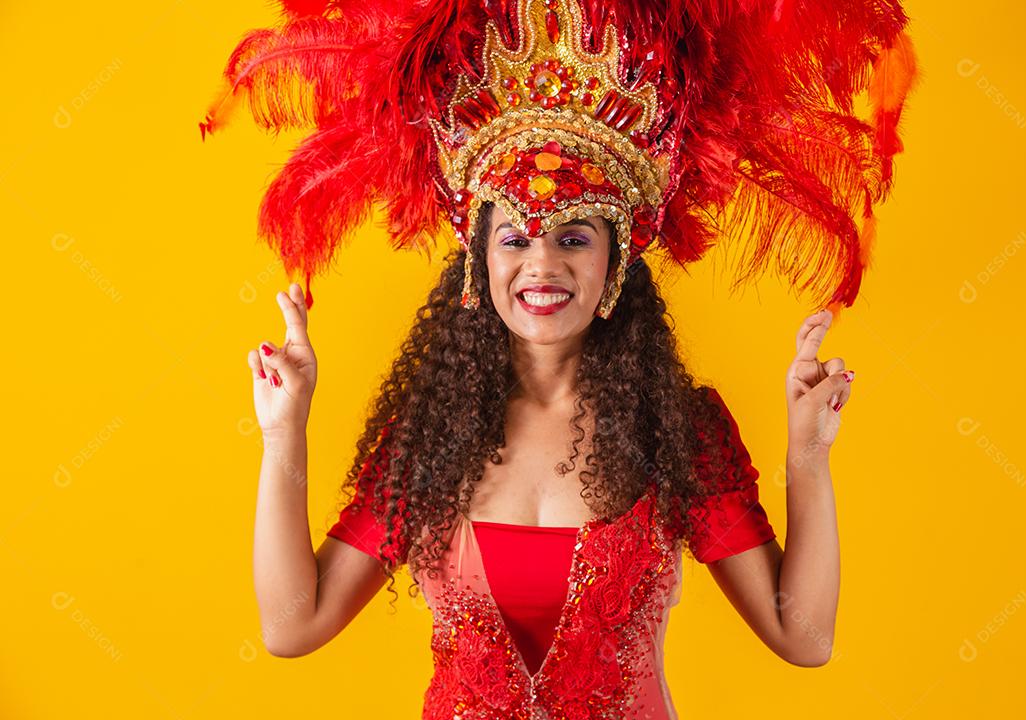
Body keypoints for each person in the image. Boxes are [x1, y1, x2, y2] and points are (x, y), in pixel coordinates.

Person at [208, 0, 917, 715]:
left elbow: (804, 636)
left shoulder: (675, 426)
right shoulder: (429, 431)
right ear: (479, 264)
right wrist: (282, 432)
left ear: (615, 263)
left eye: (574, 237)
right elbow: (293, 626)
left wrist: (809, 453)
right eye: (514, 239)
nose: (541, 264)